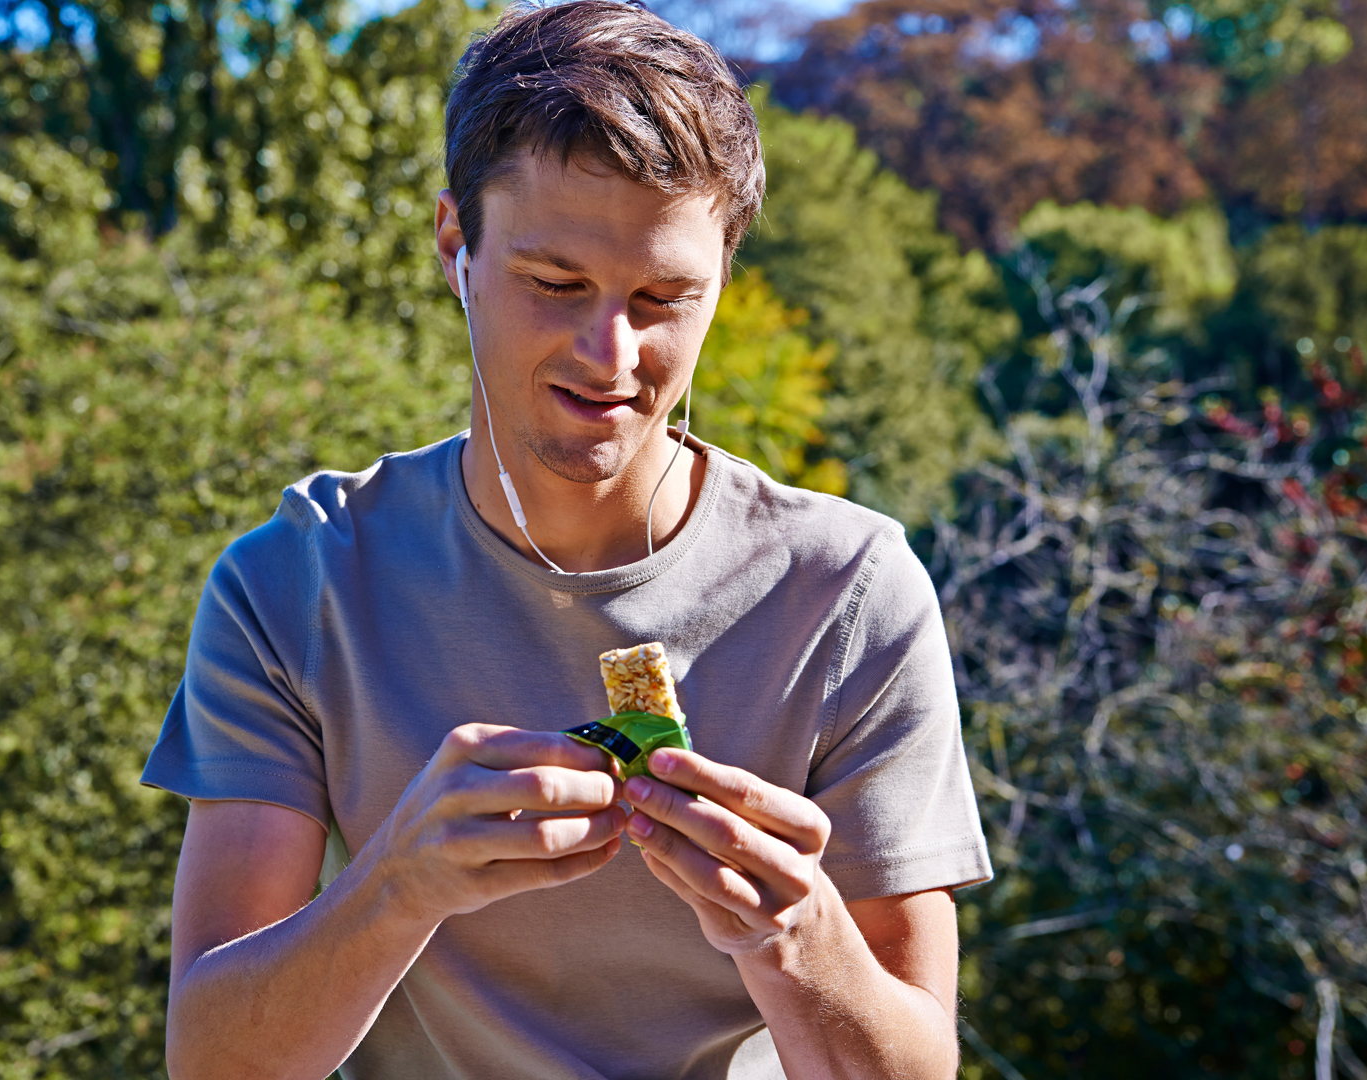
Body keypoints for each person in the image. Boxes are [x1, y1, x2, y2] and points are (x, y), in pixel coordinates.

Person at [141, 2, 992, 1076]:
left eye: (663, 297)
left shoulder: (849, 592)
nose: (611, 353)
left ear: (724, 274)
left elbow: (917, 1066)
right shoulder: (298, 579)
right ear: (457, 245)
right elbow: (213, 1061)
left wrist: (797, 939)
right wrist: (398, 888)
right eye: (557, 286)